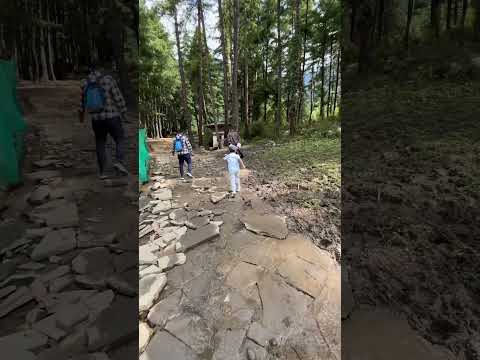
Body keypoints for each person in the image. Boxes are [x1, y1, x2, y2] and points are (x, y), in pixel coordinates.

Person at [79, 65, 128, 179]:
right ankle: (119, 162)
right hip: (112, 117)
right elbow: (118, 97)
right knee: (119, 139)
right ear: (100, 69)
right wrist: (124, 113)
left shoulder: (84, 82)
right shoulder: (108, 79)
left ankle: (103, 173)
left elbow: (82, 102)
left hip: (96, 120)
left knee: (100, 143)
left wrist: (81, 115)